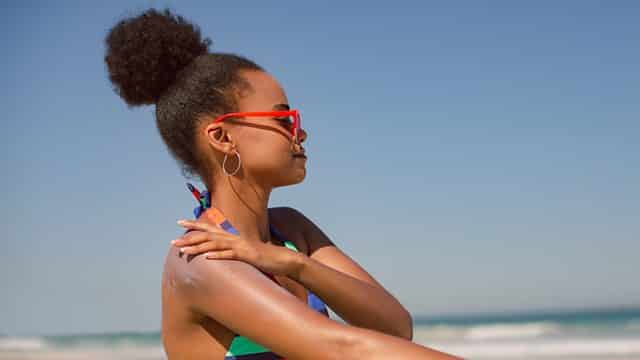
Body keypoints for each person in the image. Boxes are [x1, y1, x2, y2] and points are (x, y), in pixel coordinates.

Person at [104, 8, 461, 360]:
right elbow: (341, 348)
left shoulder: (292, 230)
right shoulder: (199, 257)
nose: (300, 133)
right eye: (283, 118)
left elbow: (396, 327)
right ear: (222, 137)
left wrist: (292, 263)